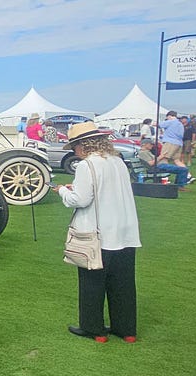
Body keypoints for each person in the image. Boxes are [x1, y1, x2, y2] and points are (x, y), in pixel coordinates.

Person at [55, 123, 141, 343]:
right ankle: (126, 330)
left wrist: (63, 191)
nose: (74, 151)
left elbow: (81, 200)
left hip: (99, 233)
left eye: (74, 146)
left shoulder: (87, 165)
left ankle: (94, 329)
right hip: (125, 231)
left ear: (82, 145)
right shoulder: (117, 161)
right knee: (123, 283)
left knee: (92, 283)